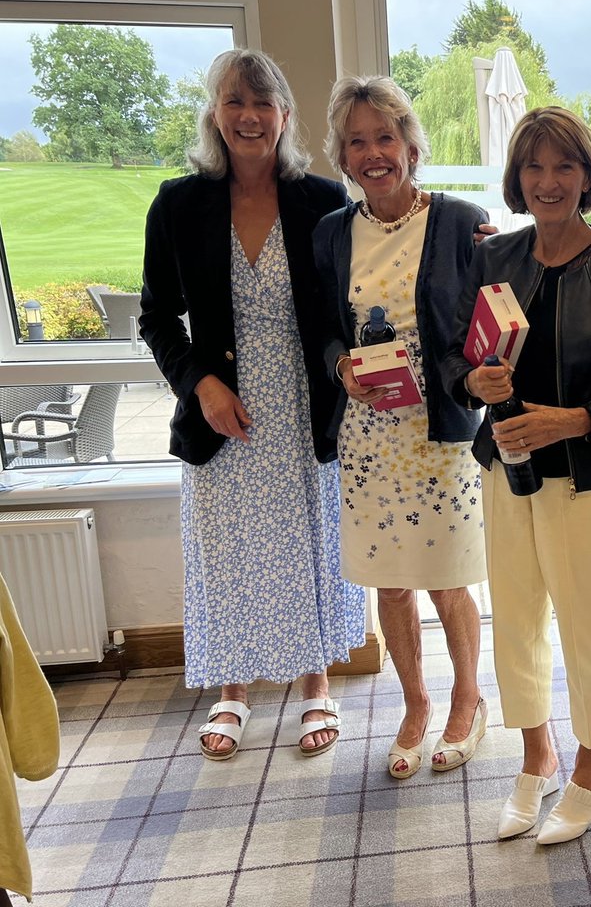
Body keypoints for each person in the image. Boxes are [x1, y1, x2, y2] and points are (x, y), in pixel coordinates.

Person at [140, 48, 365, 761]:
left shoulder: (323, 201)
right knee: (227, 551)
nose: (249, 115)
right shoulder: (178, 204)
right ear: (215, 113)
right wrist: (199, 383)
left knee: (309, 542)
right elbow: (155, 317)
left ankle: (314, 680)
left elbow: (369, 284)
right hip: (219, 415)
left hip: (305, 410)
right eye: (235, 100)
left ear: (284, 116)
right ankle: (231, 688)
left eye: (263, 103)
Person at [441, 107, 591, 845]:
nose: (548, 181)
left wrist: (570, 419)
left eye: (564, 165)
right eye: (533, 166)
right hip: (504, 468)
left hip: (585, 478)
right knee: (517, 611)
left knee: (587, 620)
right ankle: (536, 755)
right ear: (517, 178)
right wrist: (476, 384)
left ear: (588, 176)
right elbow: (452, 357)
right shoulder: (491, 259)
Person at [314, 76, 489, 780]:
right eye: (357, 142)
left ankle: (467, 700)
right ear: (344, 156)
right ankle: (415, 705)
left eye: (384, 137)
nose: (373, 153)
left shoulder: (457, 220)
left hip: (437, 431)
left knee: (447, 582)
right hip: (368, 436)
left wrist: (498, 259)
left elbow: (491, 312)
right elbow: (321, 330)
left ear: (410, 146)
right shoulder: (332, 232)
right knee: (390, 585)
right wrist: (339, 370)